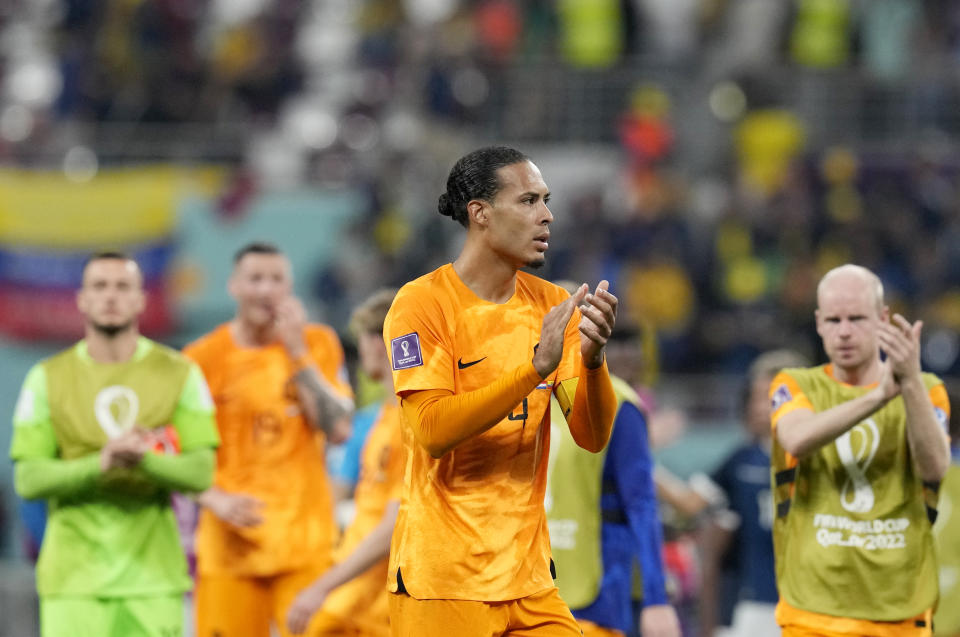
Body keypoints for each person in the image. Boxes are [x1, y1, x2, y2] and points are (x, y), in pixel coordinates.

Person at [383, 146, 619, 636]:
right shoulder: (421, 305)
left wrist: (594, 364)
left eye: (546, 201)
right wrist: (532, 370)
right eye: (529, 201)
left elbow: (592, 436)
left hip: (530, 583)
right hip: (444, 584)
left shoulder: (554, 307)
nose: (547, 215)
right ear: (481, 214)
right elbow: (431, 430)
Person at [9, 251, 219, 637]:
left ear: (141, 299)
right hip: (73, 583)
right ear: (82, 299)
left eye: (122, 287)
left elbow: (201, 472)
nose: (110, 296)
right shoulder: (46, 378)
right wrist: (101, 463)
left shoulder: (180, 373)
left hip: (153, 582)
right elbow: (28, 479)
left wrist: (142, 460)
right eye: (99, 286)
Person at [769, 264, 951, 636]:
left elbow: (934, 467)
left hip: (902, 615)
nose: (845, 331)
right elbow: (797, 439)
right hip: (812, 616)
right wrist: (880, 396)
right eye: (834, 320)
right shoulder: (793, 383)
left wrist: (910, 383)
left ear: (883, 318)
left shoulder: (928, 390)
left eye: (857, 318)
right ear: (819, 323)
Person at [184, 242, 354, 637]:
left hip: (305, 548)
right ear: (233, 287)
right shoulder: (202, 358)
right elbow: (177, 449)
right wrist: (214, 499)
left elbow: (340, 429)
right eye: (255, 279)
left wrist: (297, 354)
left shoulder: (318, 343)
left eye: (276, 279)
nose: (266, 289)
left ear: (290, 288)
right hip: (230, 550)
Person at [543, 317, 680, 637]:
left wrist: (655, 599)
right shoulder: (531, 394)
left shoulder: (619, 402)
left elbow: (642, 503)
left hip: (597, 586)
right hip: (535, 580)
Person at [286, 288, 404, 636]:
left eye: (362, 339)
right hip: (354, 592)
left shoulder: (408, 423)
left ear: (377, 343)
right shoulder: (383, 417)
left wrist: (323, 586)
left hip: (372, 604)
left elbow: (394, 524)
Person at [698, 349, 809, 637]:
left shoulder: (822, 459)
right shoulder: (741, 461)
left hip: (814, 602)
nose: (760, 407)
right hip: (756, 605)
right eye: (756, 397)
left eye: (771, 397)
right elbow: (699, 516)